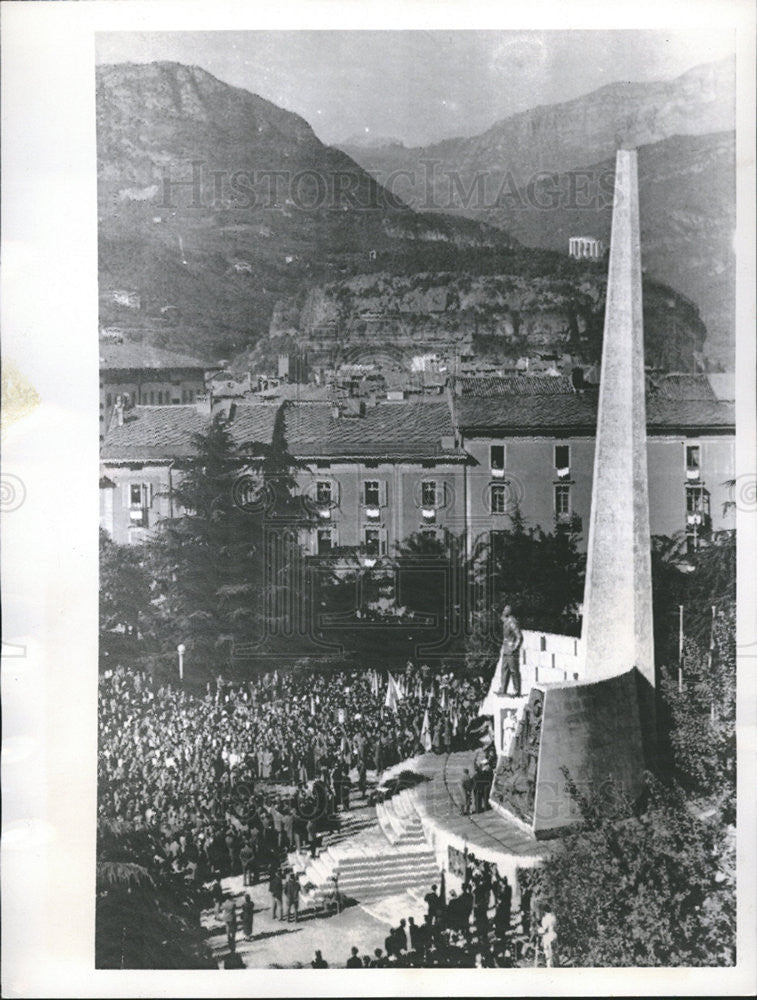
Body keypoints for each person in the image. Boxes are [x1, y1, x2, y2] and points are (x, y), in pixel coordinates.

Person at [499, 605, 523, 697]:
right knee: (504, 669)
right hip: (505, 649)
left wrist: (514, 648)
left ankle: (517, 691)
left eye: (505, 610)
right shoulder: (507, 621)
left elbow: (519, 637)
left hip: (511, 650)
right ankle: (503, 690)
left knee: (514, 670)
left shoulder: (512, 622)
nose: (503, 611)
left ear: (509, 611)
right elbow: (502, 618)